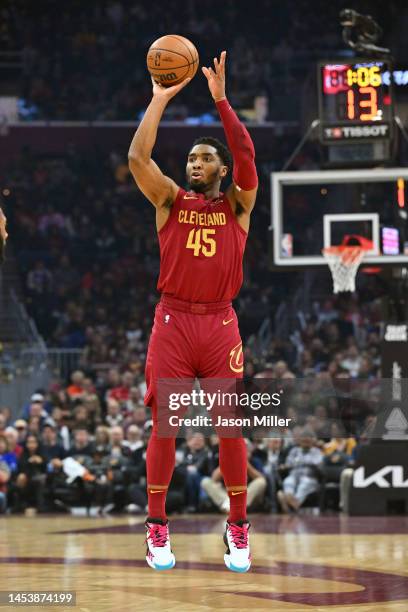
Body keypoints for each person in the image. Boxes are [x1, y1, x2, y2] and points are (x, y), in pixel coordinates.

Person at [128, 51, 258, 572]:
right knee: (165, 426)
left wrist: (222, 101)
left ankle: (239, 526)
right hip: (174, 322)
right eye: (190, 160)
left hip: (221, 323)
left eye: (204, 159)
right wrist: (159, 100)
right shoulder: (169, 202)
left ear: (221, 170)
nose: (194, 165)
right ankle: (157, 527)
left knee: (231, 428)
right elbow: (139, 159)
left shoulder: (239, 206)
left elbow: (247, 154)